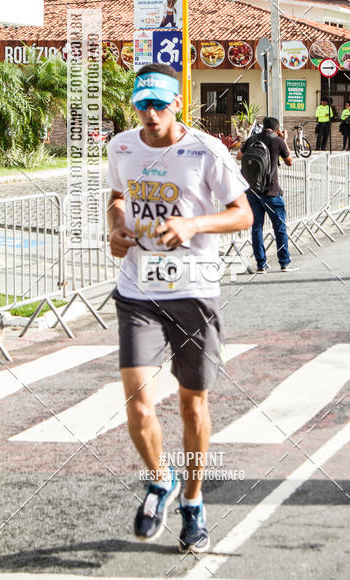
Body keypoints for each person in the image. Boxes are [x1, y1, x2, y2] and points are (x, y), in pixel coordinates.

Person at [106, 63, 252, 554]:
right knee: (139, 402)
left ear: (176, 103)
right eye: (141, 103)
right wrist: (116, 227)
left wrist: (192, 227)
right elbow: (117, 197)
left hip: (193, 292)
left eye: (158, 104)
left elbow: (243, 214)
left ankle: (193, 502)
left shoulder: (204, 150)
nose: (149, 113)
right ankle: (159, 479)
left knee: (192, 406)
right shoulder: (121, 146)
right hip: (138, 292)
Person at [237, 117, 298, 273]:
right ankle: (284, 263)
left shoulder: (252, 139)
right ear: (277, 129)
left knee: (256, 228)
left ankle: (261, 265)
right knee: (279, 227)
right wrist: (284, 141)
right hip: (272, 191)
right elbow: (289, 161)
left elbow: (239, 156)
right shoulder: (278, 141)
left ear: (263, 127)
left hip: (253, 191)